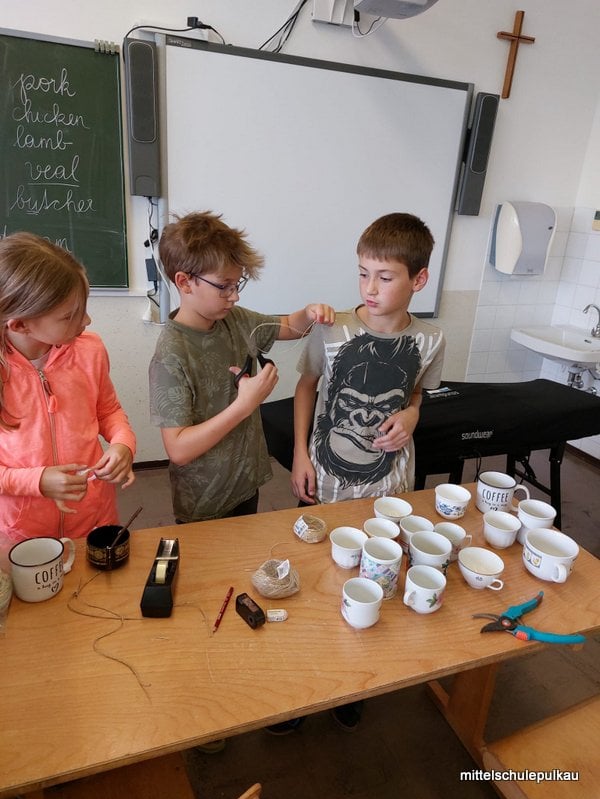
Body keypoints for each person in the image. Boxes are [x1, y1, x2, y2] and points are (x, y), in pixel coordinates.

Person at [289, 212, 445, 733]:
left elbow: (416, 392)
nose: (369, 288)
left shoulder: (431, 340)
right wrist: (300, 454)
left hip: (389, 487)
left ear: (418, 279)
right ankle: (302, 688)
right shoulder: (332, 328)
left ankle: (354, 682)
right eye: (362, 274)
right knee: (316, 578)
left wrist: (413, 414)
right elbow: (307, 387)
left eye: (385, 276)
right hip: (326, 481)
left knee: (372, 580)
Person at [149, 210, 335, 525]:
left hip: (244, 481)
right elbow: (178, 449)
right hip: (205, 499)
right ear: (184, 282)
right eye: (224, 286)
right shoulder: (171, 355)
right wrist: (245, 405)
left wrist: (309, 313)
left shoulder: (234, 320)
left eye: (238, 284)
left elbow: (289, 326)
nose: (234, 296)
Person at [0, 232, 136, 556]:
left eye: (83, 308)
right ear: (20, 325)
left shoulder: (90, 350)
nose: (86, 320)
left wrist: (123, 444)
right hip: (22, 533)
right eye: (69, 315)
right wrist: (36, 481)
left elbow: (108, 411)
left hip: (94, 516)